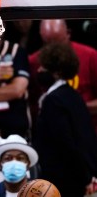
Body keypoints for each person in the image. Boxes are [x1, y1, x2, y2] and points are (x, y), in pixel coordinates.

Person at [33, 42, 97, 197]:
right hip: (78, 176)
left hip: (64, 180)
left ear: (57, 72)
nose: (39, 70)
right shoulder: (73, 95)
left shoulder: (54, 100)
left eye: (43, 67)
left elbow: (67, 143)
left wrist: (86, 178)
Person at [29, 19, 97, 135]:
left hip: (87, 130)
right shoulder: (33, 61)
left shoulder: (90, 55)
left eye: (57, 43)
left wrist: (71, 108)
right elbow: (32, 103)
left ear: (68, 33)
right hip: (51, 133)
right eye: (48, 43)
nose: (53, 50)